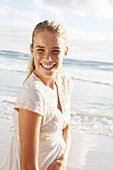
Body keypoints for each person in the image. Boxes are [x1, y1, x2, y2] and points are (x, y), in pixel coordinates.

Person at [0, 20, 73, 170]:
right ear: (32, 50)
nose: (48, 58)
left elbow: (65, 129)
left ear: (65, 52)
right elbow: (27, 166)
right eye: (41, 50)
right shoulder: (33, 93)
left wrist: (62, 161)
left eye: (55, 51)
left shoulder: (64, 82)